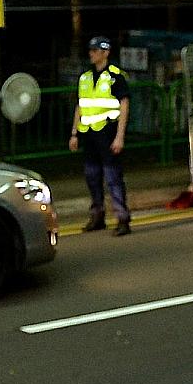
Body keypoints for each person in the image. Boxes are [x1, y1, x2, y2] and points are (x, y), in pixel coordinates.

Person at [68, 35, 132, 236]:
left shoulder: (115, 76)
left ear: (105, 53)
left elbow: (124, 104)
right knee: (92, 177)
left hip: (108, 133)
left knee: (113, 178)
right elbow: (80, 106)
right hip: (89, 136)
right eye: (90, 50)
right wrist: (74, 133)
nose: (91, 54)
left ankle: (122, 219)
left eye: (95, 51)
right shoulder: (85, 78)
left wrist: (120, 136)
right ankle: (98, 216)